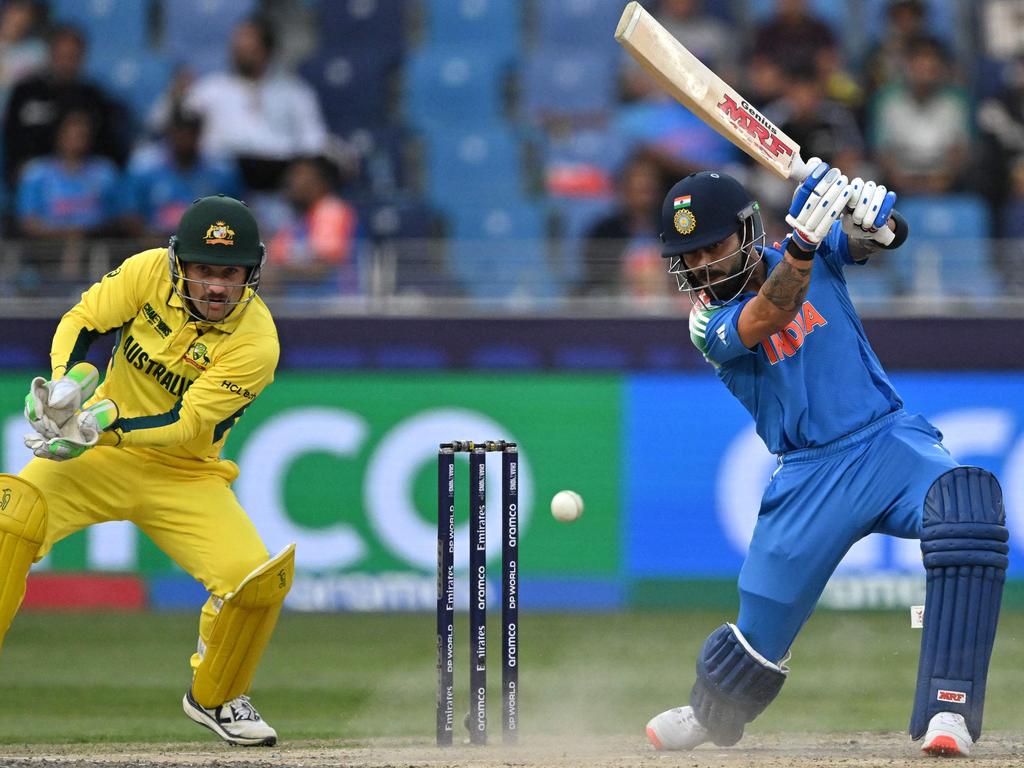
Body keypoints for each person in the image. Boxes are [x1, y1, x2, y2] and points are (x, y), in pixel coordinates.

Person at [644, 162, 1006, 757]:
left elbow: (877, 239)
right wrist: (804, 244)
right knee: (753, 646)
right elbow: (769, 315)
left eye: (714, 246)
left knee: (968, 508)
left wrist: (874, 219)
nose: (704, 265)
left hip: (889, 445)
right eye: (691, 255)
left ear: (746, 230)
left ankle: (950, 711)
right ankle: (712, 714)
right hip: (808, 475)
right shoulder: (706, 321)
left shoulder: (810, 251)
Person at [1, 195, 294, 747]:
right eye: (204, 270)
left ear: (250, 275)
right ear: (179, 263)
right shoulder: (146, 271)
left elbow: (186, 424)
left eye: (229, 274)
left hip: (184, 473)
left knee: (254, 582)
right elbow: (86, 320)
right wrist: (65, 384)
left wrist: (100, 427)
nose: (214, 287)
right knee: (10, 518)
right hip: (96, 456)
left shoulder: (257, 342)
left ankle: (218, 697)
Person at [184, 15, 328, 193]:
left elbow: (313, 143)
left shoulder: (295, 93)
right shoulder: (209, 89)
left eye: (250, 48)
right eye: (237, 47)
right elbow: (177, 128)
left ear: (267, 51)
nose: (242, 51)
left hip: (278, 180)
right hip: (221, 177)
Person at [265, 155, 359, 296]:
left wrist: (278, 270)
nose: (292, 182)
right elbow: (274, 254)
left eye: (300, 175)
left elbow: (323, 267)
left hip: (331, 305)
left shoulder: (331, 210)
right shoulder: (299, 217)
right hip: (299, 303)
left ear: (321, 183)